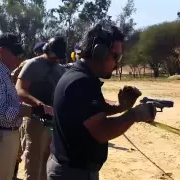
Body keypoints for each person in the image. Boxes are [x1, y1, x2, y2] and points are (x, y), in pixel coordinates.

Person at [48, 24, 157, 180]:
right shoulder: (82, 82)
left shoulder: (77, 76)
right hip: (73, 173)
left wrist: (120, 107)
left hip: (70, 169)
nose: (117, 64)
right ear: (100, 52)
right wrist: (134, 115)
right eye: (116, 57)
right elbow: (102, 131)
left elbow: (87, 113)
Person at [0, 33, 33, 180]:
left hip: (6, 134)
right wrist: (22, 111)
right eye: (15, 53)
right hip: (2, 135)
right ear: (0, 51)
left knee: (1, 175)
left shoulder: (3, 73)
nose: (19, 57)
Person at [16, 37, 67, 180]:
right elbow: (19, 89)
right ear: (46, 50)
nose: (56, 59)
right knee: (34, 160)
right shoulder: (32, 65)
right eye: (54, 56)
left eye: (59, 57)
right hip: (35, 120)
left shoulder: (61, 69)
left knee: (49, 160)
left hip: (54, 122)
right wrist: (39, 104)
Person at [11, 41, 47, 180]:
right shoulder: (28, 64)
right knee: (24, 147)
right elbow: (14, 80)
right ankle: (13, 173)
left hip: (39, 112)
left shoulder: (51, 66)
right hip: (27, 110)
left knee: (34, 148)